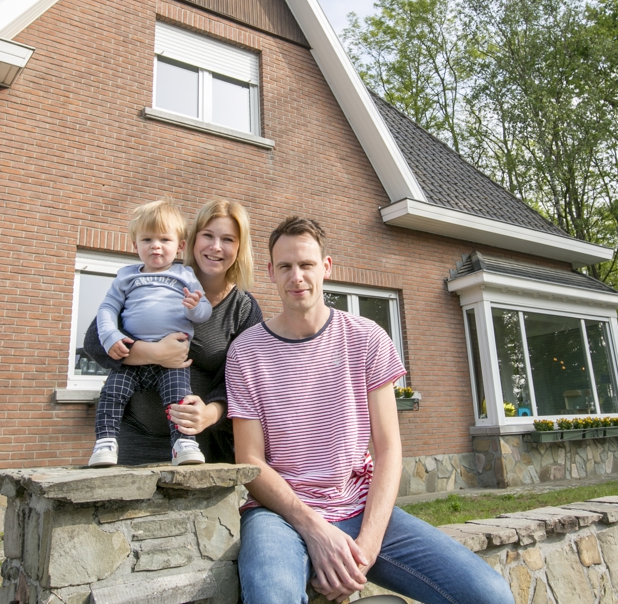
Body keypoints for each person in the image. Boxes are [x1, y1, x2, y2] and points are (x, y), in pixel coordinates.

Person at [226, 217, 513, 604]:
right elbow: (250, 460)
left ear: (326, 267)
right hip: (279, 515)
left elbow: (389, 448)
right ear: (270, 272)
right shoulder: (246, 352)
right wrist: (314, 528)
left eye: (306, 264)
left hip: (359, 507)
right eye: (285, 266)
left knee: (490, 595)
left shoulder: (367, 338)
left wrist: (367, 547)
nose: (297, 276)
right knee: (270, 598)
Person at [83, 199, 262, 466]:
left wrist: (212, 412)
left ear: (239, 247)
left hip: (199, 445)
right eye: (208, 235)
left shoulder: (243, 309)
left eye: (228, 239)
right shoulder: (154, 277)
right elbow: (94, 340)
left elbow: (246, 382)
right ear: (192, 240)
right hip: (135, 439)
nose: (216, 246)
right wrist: (152, 353)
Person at [88, 200, 213, 467]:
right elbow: (107, 308)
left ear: (180, 246)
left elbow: (204, 311)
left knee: (179, 397)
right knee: (111, 394)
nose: (155, 245)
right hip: (132, 354)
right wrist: (110, 336)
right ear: (135, 245)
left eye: (164, 239)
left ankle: (184, 443)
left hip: (173, 362)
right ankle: (105, 442)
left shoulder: (185, 274)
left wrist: (194, 308)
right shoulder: (126, 276)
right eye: (147, 239)